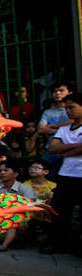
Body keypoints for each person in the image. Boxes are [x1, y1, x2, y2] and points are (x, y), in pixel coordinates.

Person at [43, 93, 82, 254]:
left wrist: (65, 150)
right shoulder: (64, 129)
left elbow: (60, 149)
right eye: (66, 108)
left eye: (71, 107)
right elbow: (53, 149)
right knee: (60, 210)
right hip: (66, 174)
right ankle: (58, 242)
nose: (68, 111)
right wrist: (76, 148)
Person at [0, 160, 36, 251]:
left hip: (15, 217)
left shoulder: (25, 189)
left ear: (15, 174)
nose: (2, 173)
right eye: (0, 171)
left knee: (16, 222)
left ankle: (6, 245)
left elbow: (30, 205)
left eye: (6, 170)